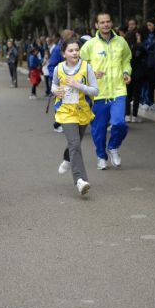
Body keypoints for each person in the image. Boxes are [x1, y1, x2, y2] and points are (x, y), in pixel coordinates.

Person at [80, 12, 132, 170]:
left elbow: (126, 60)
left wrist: (126, 72)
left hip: (118, 90)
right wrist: (90, 74)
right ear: (96, 25)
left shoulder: (121, 42)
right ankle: (101, 157)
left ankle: (113, 147)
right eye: (102, 22)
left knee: (120, 123)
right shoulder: (90, 45)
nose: (105, 25)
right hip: (98, 93)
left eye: (108, 21)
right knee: (99, 129)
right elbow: (80, 66)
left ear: (112, 23)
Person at [51, 39, 98, 196]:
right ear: (64, 53)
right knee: (75, 143)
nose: (75, 53)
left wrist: (79, 86)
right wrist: (55, 91)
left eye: (77, 49)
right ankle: (80, 180)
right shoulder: (59, 68)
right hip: (65, 111)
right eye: (71, 50)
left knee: (74, 144)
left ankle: (67, 159)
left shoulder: (86, 67)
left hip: (83, 111)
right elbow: (53, 85)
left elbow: (95, 90)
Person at [48, 29, 74, 133]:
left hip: (71, 80)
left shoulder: (72, 48)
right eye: (72, 36)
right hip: (60, 81)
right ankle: (57, 124)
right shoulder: (58, 49)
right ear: (66, 37)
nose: (74, 37)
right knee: (60, 103)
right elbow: (51, 66)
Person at [125, 29, 147, 122]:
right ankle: (134, 116)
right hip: (138, 73)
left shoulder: (124, 48)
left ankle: (126, 115)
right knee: (137, 95)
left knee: (128, 95)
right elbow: (145, 56)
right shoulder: (140, 46)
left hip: (127, 74)